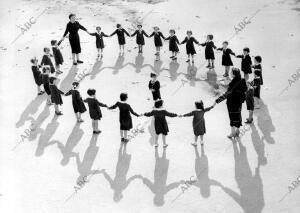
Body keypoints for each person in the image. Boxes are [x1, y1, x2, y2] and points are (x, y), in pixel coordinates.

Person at [215, 68, 247, 138]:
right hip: (239, 102)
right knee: (238, 115)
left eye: (231, 72)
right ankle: (237, 131)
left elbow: (227, 92)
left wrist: (217, 100)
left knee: (232, 117)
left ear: (234, 74)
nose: (230, 73)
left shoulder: (233, 82)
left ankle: (232, 133)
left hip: (232, 103)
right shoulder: (242, 80)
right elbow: (245, 89)